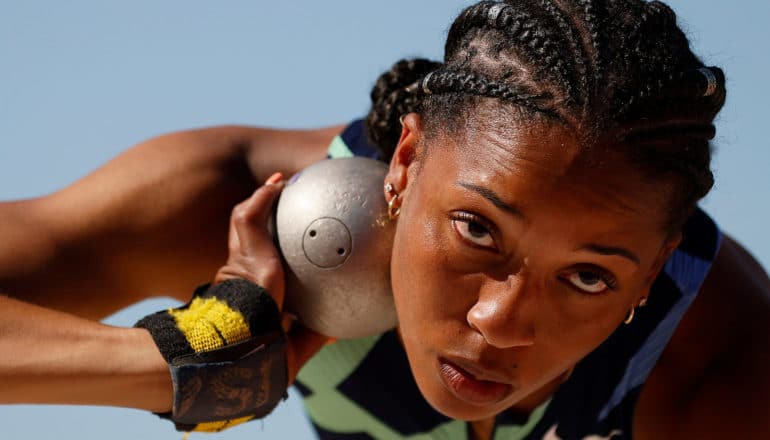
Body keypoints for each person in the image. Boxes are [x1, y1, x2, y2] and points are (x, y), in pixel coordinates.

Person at [0, 0, 768, 438]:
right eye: (476, 229)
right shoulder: (242, 211)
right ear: (404, 160)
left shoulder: (716, 354)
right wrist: (186, 365)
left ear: (658, 265)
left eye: (589, 275)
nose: (500, 320)